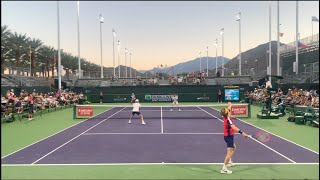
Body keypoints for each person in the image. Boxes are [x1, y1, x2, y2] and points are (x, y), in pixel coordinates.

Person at [220, 95, 249, 174]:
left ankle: (229, 161)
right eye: (228, 111)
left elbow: (230, 105)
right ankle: (224, 168)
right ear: (227, 113)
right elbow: (234, 127)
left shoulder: (226, 114)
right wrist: (243, 133)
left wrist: (229, 98)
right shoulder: (228, 120)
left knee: (234, 147)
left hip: (228, 136)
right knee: (229, 152)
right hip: (228, 137)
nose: (229, 110)